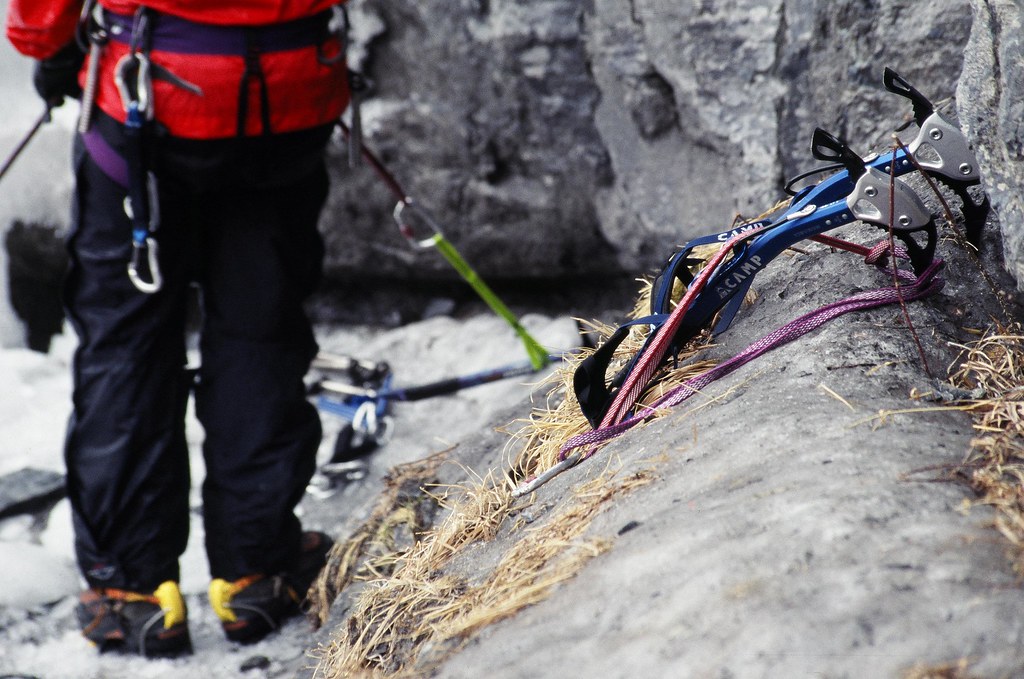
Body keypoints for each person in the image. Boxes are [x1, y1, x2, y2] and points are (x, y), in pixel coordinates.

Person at [5, 0, 349, 657]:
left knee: (127, 343)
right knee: (261, 331)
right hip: (289, 94)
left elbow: (40, 19)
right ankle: (257, 568)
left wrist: (48, 46)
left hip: (148, 100)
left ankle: (133, 592)